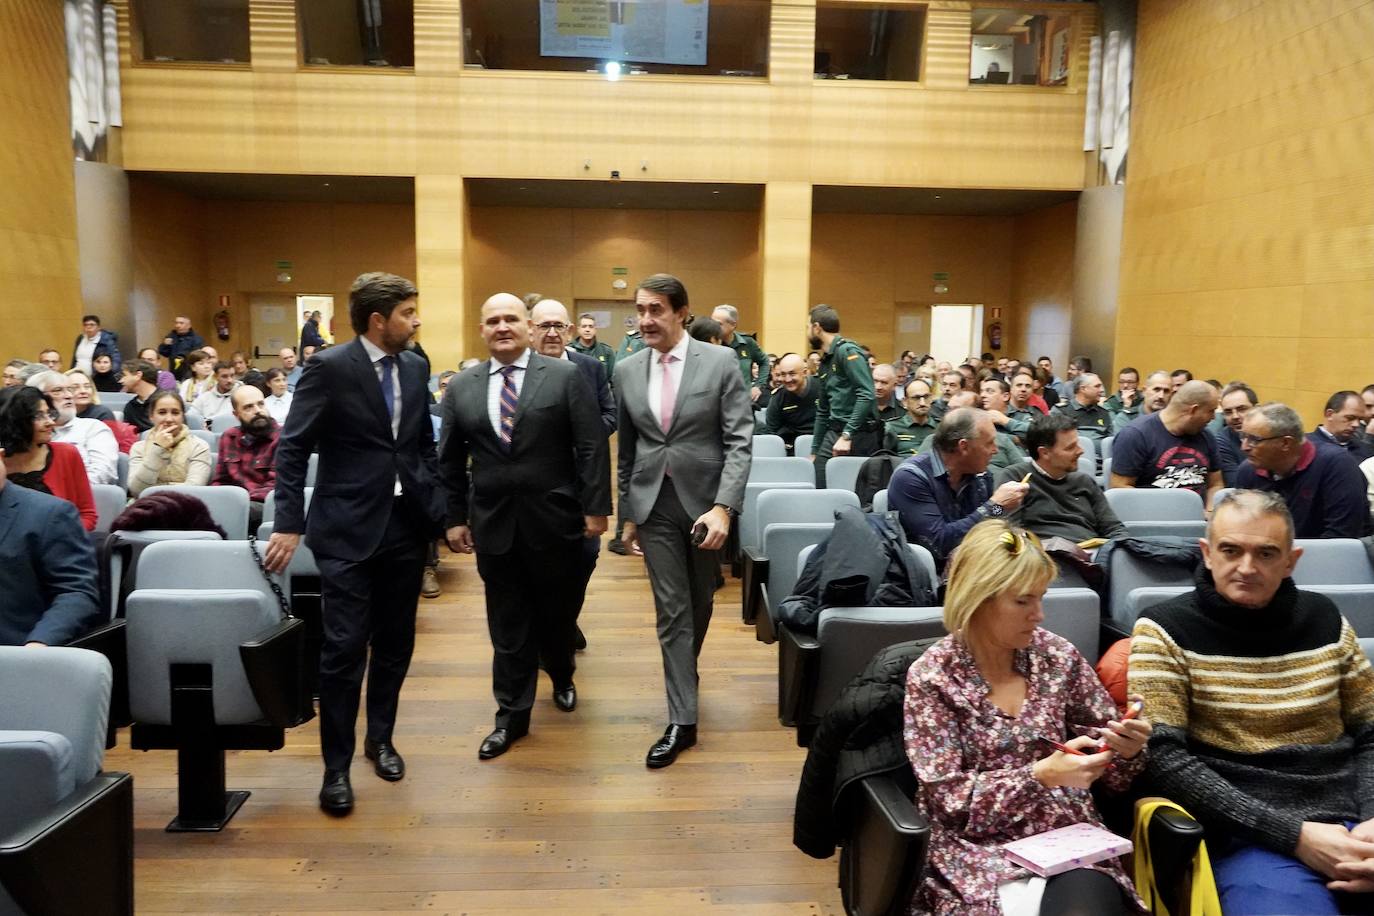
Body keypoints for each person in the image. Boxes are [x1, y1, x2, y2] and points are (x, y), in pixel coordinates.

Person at [1129, 490, 1374, 915]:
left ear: (1290, 561)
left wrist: (1372, 821)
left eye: (1265, 553)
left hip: (1357, 819)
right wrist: (1295, 835)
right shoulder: (1163, 630)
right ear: (1206, 554)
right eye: (1230, 550)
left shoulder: (1326, 619)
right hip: (1247, 835)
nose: (1247, 568)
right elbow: (1165, 760)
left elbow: (1371, 731)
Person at [266, 272, 444, 815]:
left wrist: (438, 509)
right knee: (343, 649)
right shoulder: (328, 367)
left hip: (404, 525)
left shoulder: (416, 364)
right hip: (345, 528)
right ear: (377, 320)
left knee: (396, 642)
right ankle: (335, 768)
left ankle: (381, 739)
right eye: (408, 312)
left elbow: (420, 445)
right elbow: (293, 449)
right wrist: (288, 522)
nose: (416, 321)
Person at [905, 519, 1150, 914]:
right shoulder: (933, 677)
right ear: (977, 598)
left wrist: (1125, 749)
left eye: (1042, 597)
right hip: (973, 853)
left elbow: (1114, 774)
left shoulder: (1057, 657)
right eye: (1023, 601)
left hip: (1066, 841)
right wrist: (1040, 776)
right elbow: (950, 801)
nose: (1039, 615)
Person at [441, 293, 610, 760]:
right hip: (493, 522)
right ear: (482, 329)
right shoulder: (464, 386)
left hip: (555, 520)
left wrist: (597, 509)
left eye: (510, 319)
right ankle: (511, 717)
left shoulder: (564, 376)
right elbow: (451, 460)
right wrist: (454, 518)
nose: (502, 326)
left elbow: (592, 445)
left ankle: (562, 674)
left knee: (556, 616)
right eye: (492, 320)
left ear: (528, 326)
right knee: (507, 625)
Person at [614, 273, 752, 769]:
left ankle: (682, 680)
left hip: (706, 504)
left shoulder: (720, 361)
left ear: (680, 312)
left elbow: (739, 439)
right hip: (654, 504)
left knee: (699, 601)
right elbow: (628, 452)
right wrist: (627, 516)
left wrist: (724, 507)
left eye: (655, 310)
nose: (645, 320)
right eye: (640, 310)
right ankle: (681, 721)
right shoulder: (626, 369)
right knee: (672, 610)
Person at [528, 297, 616, 652]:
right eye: (545, 326)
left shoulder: (589, 367)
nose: (552, 333)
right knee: (536, 565)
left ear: (570, 331)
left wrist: (583, 436)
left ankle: (565, 619)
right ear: (531, 330)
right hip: (534, 488)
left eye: (559, 326)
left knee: (584, 557)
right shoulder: (518, 370)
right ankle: (544, 632)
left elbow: (610, 413)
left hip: (581, 484)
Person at [887, 406, 1029, 567]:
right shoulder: (911, 477)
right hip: (924, 577)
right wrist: (995, 505)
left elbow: (987, 524)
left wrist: (1002, 512)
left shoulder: (980, 475)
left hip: (972, 565)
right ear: (964, 446)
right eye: (989, 443)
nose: (995, 450)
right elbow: (939, 546)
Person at [0, 450, 100, 647]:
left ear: (2, 456)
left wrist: (39, 643)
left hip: (17, 654)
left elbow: (76, 592)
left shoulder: (50, 513)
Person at [1235, 402, 1371, 538]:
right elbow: (1242, 531)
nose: (1244, 447)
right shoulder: (1248, 470)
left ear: (1285, 443)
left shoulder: (1338, 465)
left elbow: (1341, 538)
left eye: (1254, 440)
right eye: (1243, 437)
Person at [995, 412, 1129, 543]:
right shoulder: (1015, 479)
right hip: (1042, 556)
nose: (1081, 451)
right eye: (1071, 447)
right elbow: (1008, 529)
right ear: (1045, 452)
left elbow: (1114, 528)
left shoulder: (1084, 481)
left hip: (1091, 557)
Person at [0, 387, 97, 531]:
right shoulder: (1, 461)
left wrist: (58, 539)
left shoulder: (66, 454)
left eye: (49, 413)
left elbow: (87, 514)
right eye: (38, 416)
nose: (51, 422)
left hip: (59, 545)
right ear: (15, 422)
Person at [1110, 379, 1222, 503]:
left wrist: (1211, 513)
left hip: (1199, 519)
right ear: (1193, 410)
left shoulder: (1206, 436)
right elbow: (1120, 489)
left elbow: (1215, 484)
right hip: (1152, 517)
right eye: (1211, 411)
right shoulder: (1135, 435)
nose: (1213, 418)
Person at [808, 304, 877, 487]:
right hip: (834, 430)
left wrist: (847, 435)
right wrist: (814, 450)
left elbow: (866, 394)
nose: (807, 333)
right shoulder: (824, 362)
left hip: (858, 433)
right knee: (819, 480)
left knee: (857, 491)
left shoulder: (847, 351)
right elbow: (823, 410)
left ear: (817, 327)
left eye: (808, 327)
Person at [28, 370, 118, 486]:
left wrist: (58, 490)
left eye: (69, 389)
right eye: (58, 390)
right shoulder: (29, 432)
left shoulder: (93, 427)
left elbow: (102, 474)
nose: (69, 395)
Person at [213, 381, 279, 534]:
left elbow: (276, 485)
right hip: (234, 505)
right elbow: (220, 480)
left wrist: (238, 502)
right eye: (248, 407)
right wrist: (219, 500)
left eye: (261, 404)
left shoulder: (284, 437)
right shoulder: (229, 437)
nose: (257, 411)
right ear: (236, 415)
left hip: (267, 506)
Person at [127, 390, 213, 496]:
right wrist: (157, 449)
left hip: (185, 507)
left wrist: (154, 489)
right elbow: (137, 490)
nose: (169, 419)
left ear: (182, 416)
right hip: (147, 506)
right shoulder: (138, 448)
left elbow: (194, 489)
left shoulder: (199, 446)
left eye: (175, 413)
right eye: (162, 412)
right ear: (151, 416)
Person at [711, 304, 768, 403]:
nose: (713, 327)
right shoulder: (710, 344)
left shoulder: (747, 342)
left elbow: (764, 362)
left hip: (744, 404)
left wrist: (758, 386)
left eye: (719, 324)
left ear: (733, 325)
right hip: (718, 404)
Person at [762, 353, 817, 455]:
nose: (787, 379)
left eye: (792, 374)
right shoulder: (778, 397)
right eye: (783, 374)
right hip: (792, 449)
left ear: (804, 373)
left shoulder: (822, 388)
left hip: (822, 444)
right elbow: (771, 431)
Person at [1211, 382, 1257, 485]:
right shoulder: (1221, 441)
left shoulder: (1272, 433)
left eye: (1242, 409)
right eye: (1228, 412)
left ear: (1257, 409)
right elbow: (1236, 485)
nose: (1235, 416)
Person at [1310, 390, 1374, 462]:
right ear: (1329, 414)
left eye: (1360, 419)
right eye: (1350, 418)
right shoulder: (1305, 445)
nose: (1356, 425)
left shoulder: (1364, 450)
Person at [884, 378, 939, 457]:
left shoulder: (941, 428)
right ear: (905, 402)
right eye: (916, 398)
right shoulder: (892, 427)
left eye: (926, 397)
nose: (922, 403)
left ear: (931, 398)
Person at [191, 361, 241, 430]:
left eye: (232, 375)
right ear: (215, 377)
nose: (230, 380)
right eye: (224, 376)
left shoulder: (243, 395)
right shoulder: (205, 397)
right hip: (208, 434)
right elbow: (191, 417)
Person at [568, 312, 617, 380]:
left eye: (591, 326)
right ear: (578, 329)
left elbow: (612, 378)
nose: (587, 330)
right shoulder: (569, 349)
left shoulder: (606, 351)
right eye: (584, 326)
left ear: (595, 330)